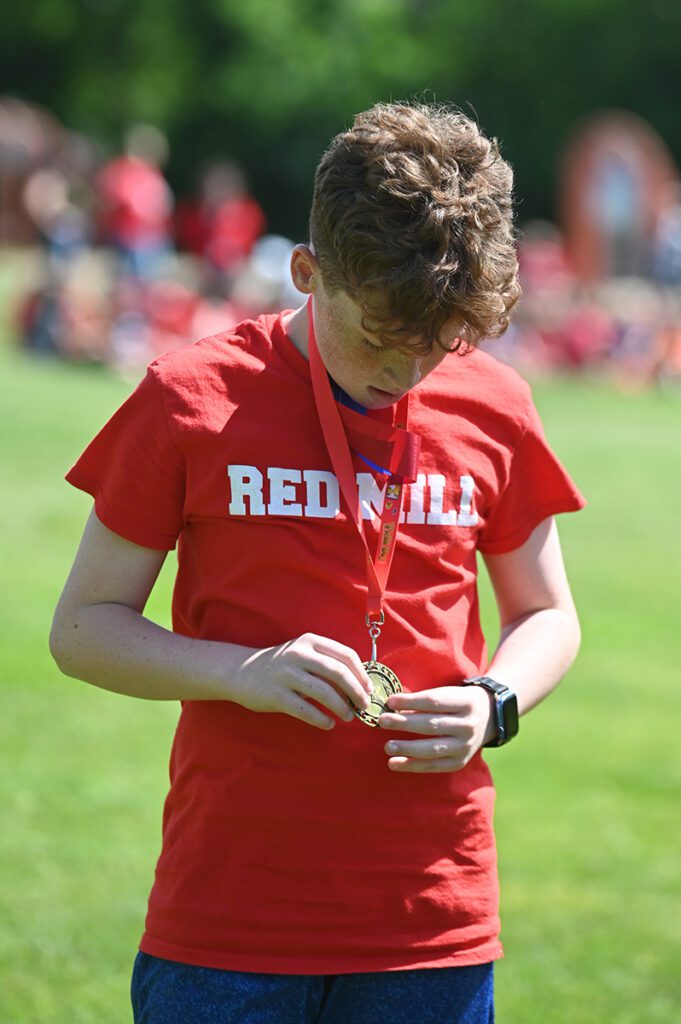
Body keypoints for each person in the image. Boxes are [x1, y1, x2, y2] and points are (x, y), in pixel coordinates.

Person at [50, 102, 585, 1024]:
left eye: (439, 343)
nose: (408, 372)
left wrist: (491, 702)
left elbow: (549, 615)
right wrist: (241, 672)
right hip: (227, 925)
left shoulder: (496, 404)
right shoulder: (189, 399)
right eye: (379, 338)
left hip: (430, 920)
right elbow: (82, 629)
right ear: (307, 272)